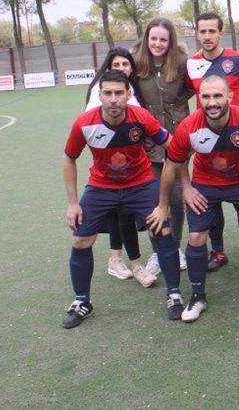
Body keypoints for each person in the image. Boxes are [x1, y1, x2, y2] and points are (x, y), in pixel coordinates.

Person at [148, 76, 239, 322]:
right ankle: (198, 296)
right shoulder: (189, 127)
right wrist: (181, 192)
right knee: (196, 237)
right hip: (205, 184)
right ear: (200, 98)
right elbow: (173, 164)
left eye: (217, 96)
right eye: (206, 96)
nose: (212, 102)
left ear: (230, 96)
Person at [61, 70, 184, 329]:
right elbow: (69, 158)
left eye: (119, 93)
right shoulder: (84, 123)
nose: (113, 99)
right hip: (101, 186)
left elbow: (173, 147)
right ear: (100, 95)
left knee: (162, 231)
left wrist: (171, 194)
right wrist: (73, 203)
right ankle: (82, 302)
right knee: (80, 239)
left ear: (128, 94)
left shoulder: (141, 118)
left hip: (140, 184)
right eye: (108, 93)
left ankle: (174, 294)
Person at [185, 12, 239, 273]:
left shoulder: (238, 60)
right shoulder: (191, 64)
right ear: (197, 34)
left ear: (221, 33)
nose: (207, 36)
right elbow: (182, 94)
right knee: (208, 200)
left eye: (212, 31)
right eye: (202, 31)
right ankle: (218, 251)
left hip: (237, 139)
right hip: (205, 140)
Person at [84, 47, 156, 288]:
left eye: (126, 64)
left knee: (124, 213)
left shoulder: (131, 90)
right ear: (108, 68)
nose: (122, 68)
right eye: (117, 65)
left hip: (133, 164)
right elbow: (93, 127)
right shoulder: (103, 92)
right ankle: (128, 262)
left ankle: (117, 259)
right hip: (111, 166)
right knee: (120, 213)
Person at [133, 17, 191, 276]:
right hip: (147, 140)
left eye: (163, 40)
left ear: (171, 42)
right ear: (146, 38)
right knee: (154, 198)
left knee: (176, 198)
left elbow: (192, 89)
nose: (157, 43)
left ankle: (174, 247)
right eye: (153, 38)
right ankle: (158, 251)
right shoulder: (135, 62)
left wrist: (176, 111)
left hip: (177, 138)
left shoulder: (182, 62)